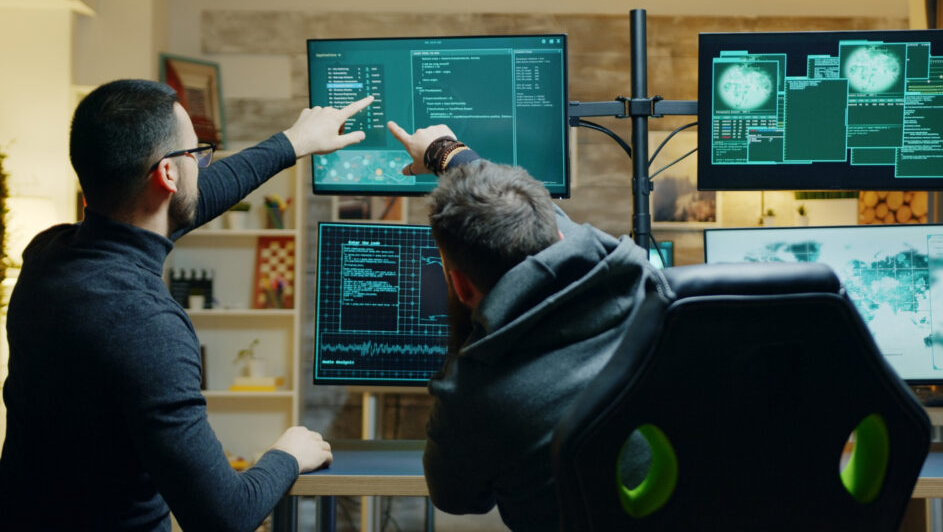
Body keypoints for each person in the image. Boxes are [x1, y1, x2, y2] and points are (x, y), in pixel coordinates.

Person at [0, 79, 373, 531]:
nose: (204, 165)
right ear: (168, 175)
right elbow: (224, 516)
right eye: (198, 154)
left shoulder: (46, 255)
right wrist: (287, 454)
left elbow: (191, 201)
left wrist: (293, 143)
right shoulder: (145, 324)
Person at [387, 122, 665, 531]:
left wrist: (465, 330)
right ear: (557, 234)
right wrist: (445, 151)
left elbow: (457, 499)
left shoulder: (475, 394)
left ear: (460, 285)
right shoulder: (646, 285)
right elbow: (537, 214)